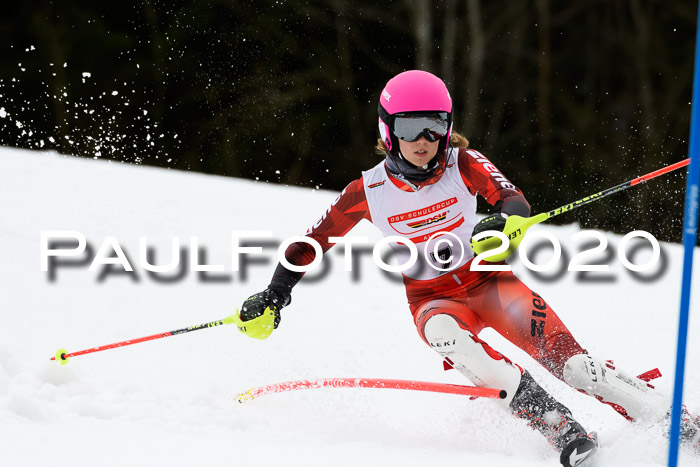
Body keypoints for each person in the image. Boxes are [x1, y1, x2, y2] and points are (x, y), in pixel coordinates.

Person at [233, 70, 699, 466]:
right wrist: (275, 293)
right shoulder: (367, 191)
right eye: (411, 127)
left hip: (491, 282)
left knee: (574, 366)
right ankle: (557, 424)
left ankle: (669, 414)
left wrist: (504, 220)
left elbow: (513, 200)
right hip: (432, 300)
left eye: (435, 126)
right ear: (388, 129)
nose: (424, 141)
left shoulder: (462, 163)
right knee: (458, 346)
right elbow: (310, 243)